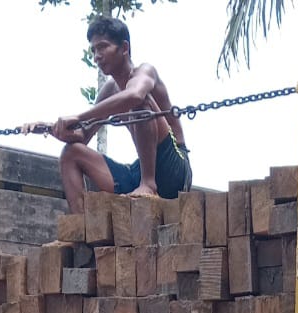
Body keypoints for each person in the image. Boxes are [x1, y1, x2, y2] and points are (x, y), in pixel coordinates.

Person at [25, 16, 191, 213]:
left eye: (103, 47)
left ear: (124, 48)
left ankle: (149, 184)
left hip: (174, 169)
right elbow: (82, 136)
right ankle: (80, 227)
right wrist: (50, 128)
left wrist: (79, 117)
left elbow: (135, 95)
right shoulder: (108, 89)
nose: (97, 56)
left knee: (140, 105)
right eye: (94, 50)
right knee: (71, 153)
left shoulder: (145, 72)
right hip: (138, 172)